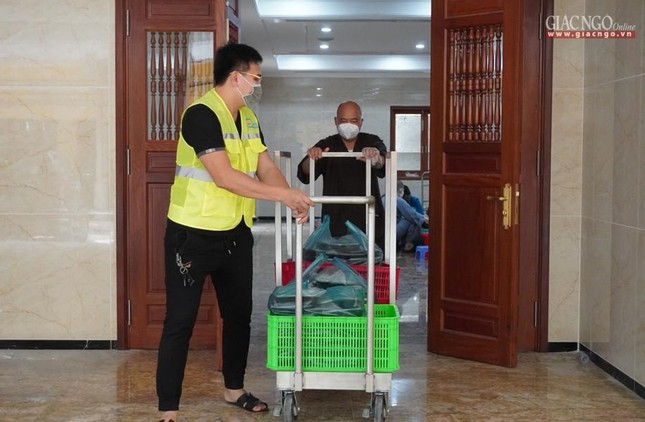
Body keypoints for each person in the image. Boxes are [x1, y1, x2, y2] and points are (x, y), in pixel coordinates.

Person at [155, 43, 313, 422]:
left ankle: (234, 389)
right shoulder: (200, 115)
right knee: (180, 321)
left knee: (239, 316)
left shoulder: (249, 118)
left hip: (235, 233)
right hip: (191, 235)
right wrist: (283, 195)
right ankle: (169, 410)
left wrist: (290, 197)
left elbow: (265, 167)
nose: (258, 85)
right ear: (235, 76)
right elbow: (224, 177)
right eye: (255, 78)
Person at [296, 101, 387, 250]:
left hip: (368, 216)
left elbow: (384, 164)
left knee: (370, 259)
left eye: (354, 120)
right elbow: (304, 173)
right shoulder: (327, 144)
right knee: (336, 258)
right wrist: (312, 156)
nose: (349, 125)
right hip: (336, 218)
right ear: (336, 121)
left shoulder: (372, 141)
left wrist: (376, 158)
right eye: (344, 121)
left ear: (361, 122)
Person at [396, 182, 428, 252]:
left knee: (414, 217)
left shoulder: (383, 198)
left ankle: (404, 243)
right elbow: (411, 214)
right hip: (392, 232)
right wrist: (425, 219)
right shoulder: (398, 200)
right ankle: (408, 243)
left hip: (383, 232)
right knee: (413, 219)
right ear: (401, 191)